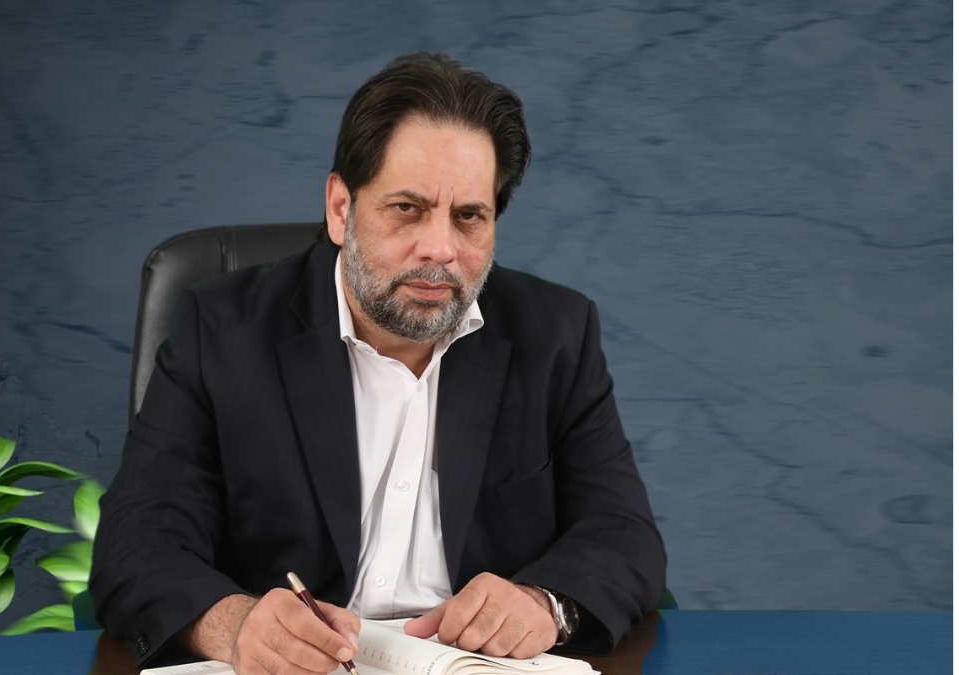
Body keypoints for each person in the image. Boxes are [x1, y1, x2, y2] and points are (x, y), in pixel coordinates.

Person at [90, 51, 667, 674]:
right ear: (342, 209)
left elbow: (624, 532)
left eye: (469, 217)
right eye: (407, 209)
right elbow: (136, 543)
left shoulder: (556, 334)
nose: (440, 249)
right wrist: (235, 625)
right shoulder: (223, 328)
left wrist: (542, 603)